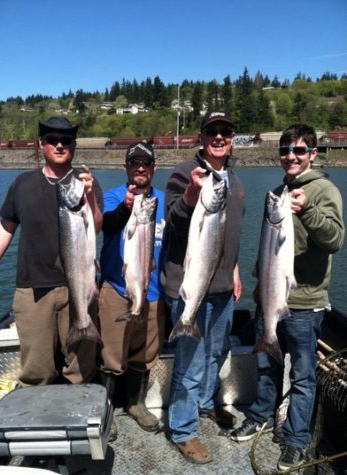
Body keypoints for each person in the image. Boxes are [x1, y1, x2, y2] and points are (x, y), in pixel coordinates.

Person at [230, 123, 345, 472]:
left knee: (303, 376)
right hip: (269, 298)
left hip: (305, 304)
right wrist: (257, 287)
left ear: (312, 153)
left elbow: (335, 240)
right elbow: (267, 252)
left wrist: (307, 209)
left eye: (297, 150)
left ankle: (296, 440)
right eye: (284, 150)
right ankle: (261, 414)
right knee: (266, 362)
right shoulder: (280, 191)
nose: (290, 156)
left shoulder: (324, 189)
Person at [0, 116, 103, 386]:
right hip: (32, 290)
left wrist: (88, 196)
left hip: (77, 286)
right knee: (36, 369)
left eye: (65, 140)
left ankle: (81, 418)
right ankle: (38, 421)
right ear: (41, 144)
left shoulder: (86, 182)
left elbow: (96, 226)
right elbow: (5, 229)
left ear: (74, 146)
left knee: (80, 367)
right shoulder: (22, 183)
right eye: (52, 140)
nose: (59, 145)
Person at [161, 112, 246, 464]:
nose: (219, 137)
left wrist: (236, 270)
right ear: (202, 137)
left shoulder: (236, 182)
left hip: (225, 286)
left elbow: (230, 235)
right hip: (190, 288)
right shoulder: (185, 173)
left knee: (216, 353)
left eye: (225, 131)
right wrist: (193, 193)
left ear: (232, 138)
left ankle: (202, 404)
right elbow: (174, 221)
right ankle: (182, 429)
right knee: (191, 362)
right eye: (212, 131)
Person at [98, 141, 165, 440]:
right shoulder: (113, 196)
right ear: (126, 167)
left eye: (146, 163)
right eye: (134, 162)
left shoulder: (163, 200)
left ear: (153, 168)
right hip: (116, 289)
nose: (140, 167)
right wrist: (126, 208)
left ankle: (136, 404)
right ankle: (104, 411)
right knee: (111, 357)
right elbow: (107, 226)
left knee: (144, 354)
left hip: (153, 294)